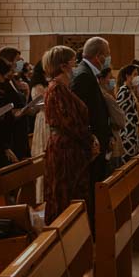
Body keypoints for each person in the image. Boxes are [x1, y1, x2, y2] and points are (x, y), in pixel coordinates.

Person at [42, 46, 95, 224]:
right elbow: (70, 122)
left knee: (74, 194)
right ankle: (64, 236)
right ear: (64, 66)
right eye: (74, 62)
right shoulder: (56, 89)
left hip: (71, 147)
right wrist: (90, 141)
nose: (76, 66)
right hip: (65, 150)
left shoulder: (63, 87)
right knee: (65, 195)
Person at [72, 36, 113, 180]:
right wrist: (90, 137)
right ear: (98, 56)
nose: (108, 58)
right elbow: (79, 112)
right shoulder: (83, 75)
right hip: (91, 142)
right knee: (93, 182)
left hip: (98, 139)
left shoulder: (89, 73)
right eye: (107, 55)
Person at [114, 61, 139, 159]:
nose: (137, 77)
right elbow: (118, 111)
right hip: (126, 132)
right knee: (128, 160)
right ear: (128, 76)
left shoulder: (130, 90)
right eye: (134, 74)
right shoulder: (124, 91)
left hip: (132, 130)